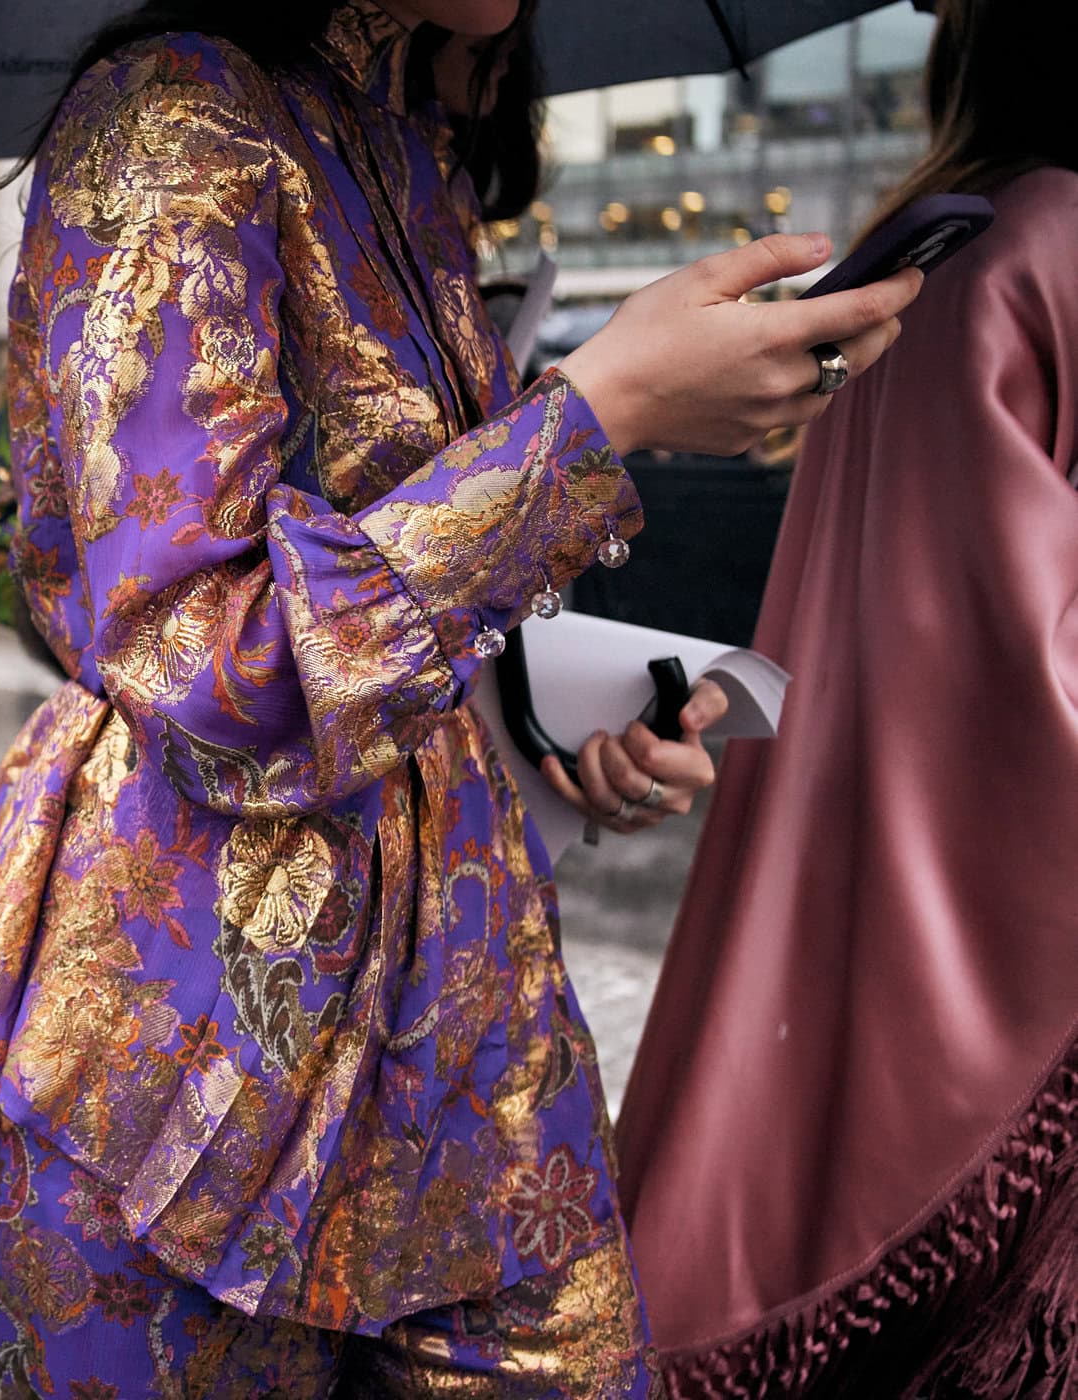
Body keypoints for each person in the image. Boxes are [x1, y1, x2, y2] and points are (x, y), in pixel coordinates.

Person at [0, 0, 920, 1393]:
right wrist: (595, 417)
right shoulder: (169, 119)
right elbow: (203, 661)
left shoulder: (420, 150)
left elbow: (409, 576)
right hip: (190, 1032)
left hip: (465, 1018)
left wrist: (553, 728)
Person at [614, 2, 1078, 1394]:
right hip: (996, 920)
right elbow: (1009, 649)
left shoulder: (954, 232)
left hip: (875, 855)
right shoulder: (1042, 240)